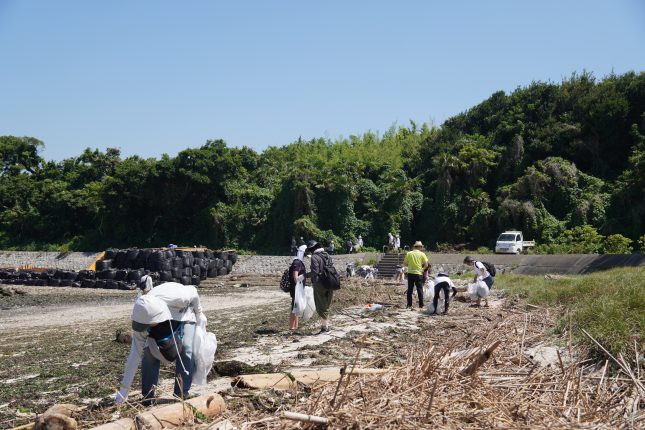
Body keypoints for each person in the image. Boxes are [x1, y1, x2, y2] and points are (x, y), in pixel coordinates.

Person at [115, 276, 206, 405]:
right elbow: (135, 355)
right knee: (148, 354)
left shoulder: (180, 297)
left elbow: (193, 292)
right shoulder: (142, 312)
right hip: (158, 319)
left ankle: (181, 393)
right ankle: (148, 396)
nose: (144, 329)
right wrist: (124, 389)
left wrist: (199, 313)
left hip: (184, 314)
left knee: (186, 349)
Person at [306, 240, 334, 334]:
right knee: (326, 305)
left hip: (320, 284)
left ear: (311, 249)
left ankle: (325, 328)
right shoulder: (327, 254)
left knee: (320, 306)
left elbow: (315, 272)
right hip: (330, 282)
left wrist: (304, 275)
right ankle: (326, 326)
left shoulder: (314, 257)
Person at [403, 241, 429, 309]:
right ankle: (421, 305)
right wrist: (422, 270)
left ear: (414, 246)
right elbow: (426, 265)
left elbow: (405, 264)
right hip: (418, 274)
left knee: (410, 290)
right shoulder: (422, 254)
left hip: (410, 273)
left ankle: (409, 305)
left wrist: (410, 265)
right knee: (419, 290)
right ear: (420, 247)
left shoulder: (409, 253)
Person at [288, 245, 307, 329]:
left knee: (296, 306)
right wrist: (298, 288)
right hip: (296, 288)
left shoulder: (298, 262)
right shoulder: (297, 262)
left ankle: (296, 326)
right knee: (294, 306)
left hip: (296, 287)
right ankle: (292, 326)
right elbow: (295, 276)